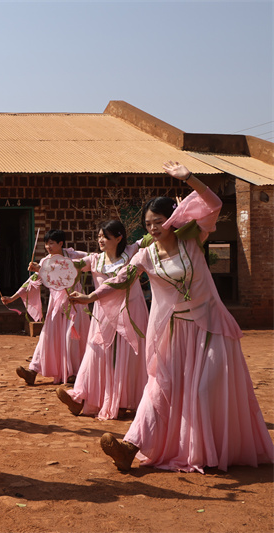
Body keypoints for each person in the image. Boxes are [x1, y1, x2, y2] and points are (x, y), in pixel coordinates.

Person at [69, 161, 274, 472]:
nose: (153, 227)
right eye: (148, 223)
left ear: (173, 219)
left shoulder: (193, 240)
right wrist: (90, 296)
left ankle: (205, 450)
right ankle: (130, 446)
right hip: (172, 332)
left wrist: (189, 178)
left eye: (159, 221)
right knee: (159, 387)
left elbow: (214, 204)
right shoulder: (146, 255)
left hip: (210, 327)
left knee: (205, 390)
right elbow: (121, 278)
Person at [56, 220, 148, 420]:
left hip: (129, 311)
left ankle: (124, 401)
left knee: (125, 356)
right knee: (95, 353)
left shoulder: (132, 253)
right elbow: (73, 266)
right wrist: (43, 269)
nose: (100, 240)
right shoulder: (95, 259)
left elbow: (153, 234)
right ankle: (80, 396)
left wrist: (176, 212)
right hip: (103, 314)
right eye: (98, 236)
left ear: (119, 238)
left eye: (105, 236)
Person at [2, 230, 90, 385]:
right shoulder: (44, 262)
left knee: (73, 337)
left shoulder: (75, 256)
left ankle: (74, 372)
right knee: (47, 337)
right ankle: (33, 371)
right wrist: (12, 298)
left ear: (61, 243)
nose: (48, 246)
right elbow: (32, 282)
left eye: (51, 243)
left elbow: (93, 261)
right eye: (46, 243)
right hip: (55, 305)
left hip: (75, 302)